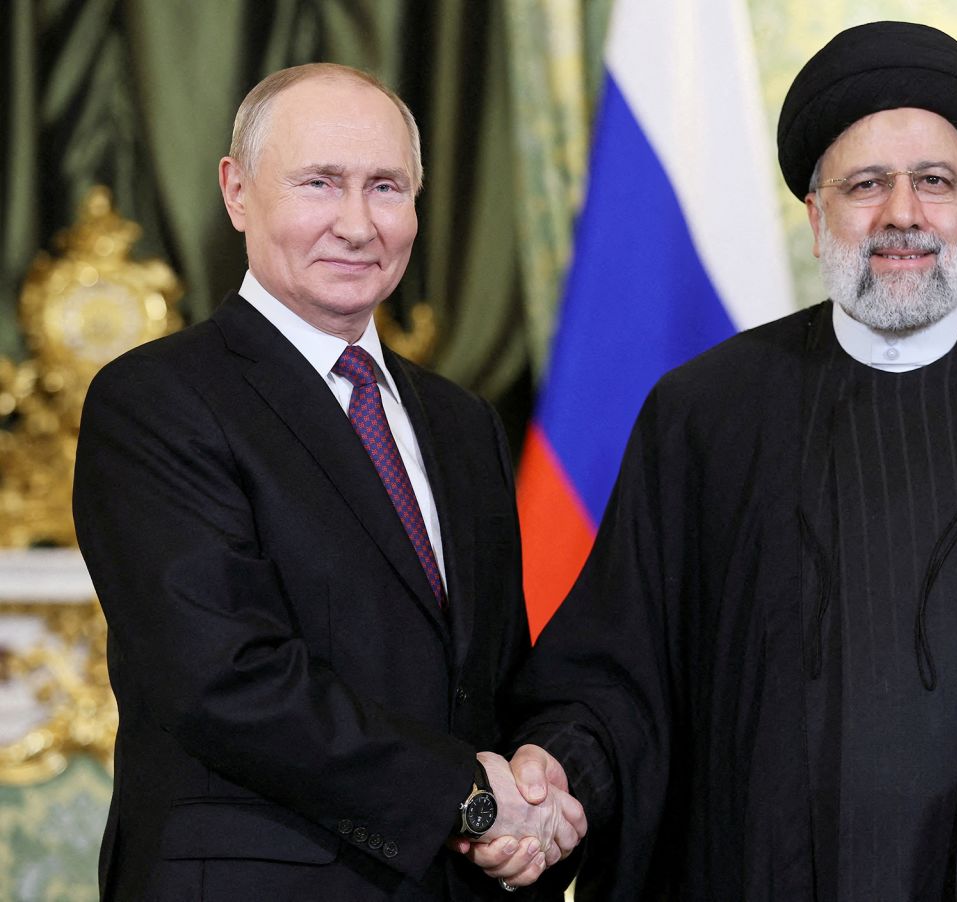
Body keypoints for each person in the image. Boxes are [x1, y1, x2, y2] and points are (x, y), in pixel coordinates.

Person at [467, 21, 957, 901]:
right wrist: (562, 783)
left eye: (935, 181)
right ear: (816, 213)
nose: (903, 214)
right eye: (866, 185)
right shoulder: (708, 415)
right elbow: (623, 676)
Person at [73, 63, 584, 900]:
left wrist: (544, 784)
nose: (357, 223)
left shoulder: (462, 423)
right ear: (237, 193)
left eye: (386, 187)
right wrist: (468, 800)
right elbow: (223, 678)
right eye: (320, 183)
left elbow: (490, 680)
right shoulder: (156, 400)